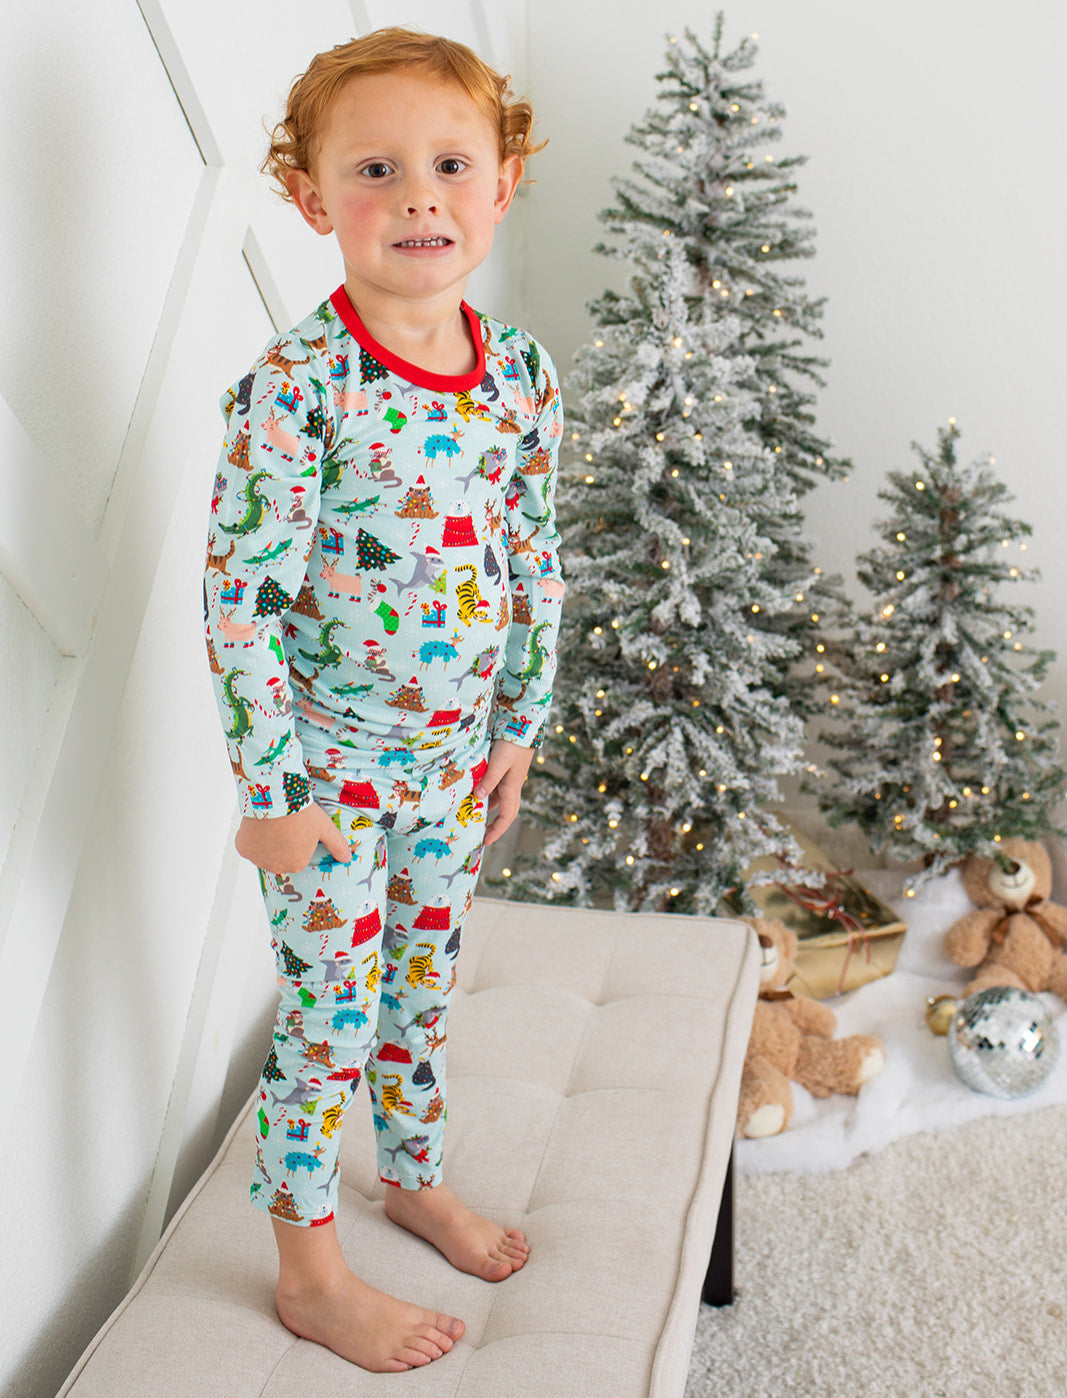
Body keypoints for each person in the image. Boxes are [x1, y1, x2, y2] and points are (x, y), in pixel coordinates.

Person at [202, 27, 564, 1372]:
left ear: (501, 183)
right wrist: (273, 799)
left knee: (423, 988)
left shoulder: (518, 374)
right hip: (332, 780)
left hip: (457, 759)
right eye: (376, 168)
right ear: (312, 199)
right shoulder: (298, 387)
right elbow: (239, 604)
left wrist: (519, 721)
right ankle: (308, 1268)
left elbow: (535, 557)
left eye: (449, 163)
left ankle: (412, 1171)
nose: (419, 195)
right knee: (330, 1011)